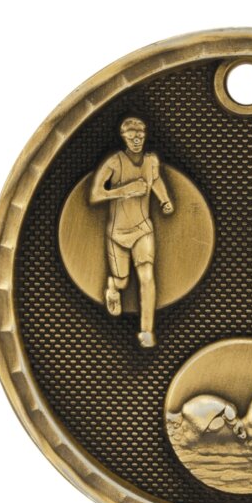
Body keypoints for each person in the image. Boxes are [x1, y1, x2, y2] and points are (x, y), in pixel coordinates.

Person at [90, 117, 174, 348]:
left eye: (140, 136)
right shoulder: (114, 162)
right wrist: (125, 190)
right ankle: (112, 287)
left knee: (147, 277)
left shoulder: (151, 161)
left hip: (143, 229)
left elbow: (155, 181)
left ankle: (146, 331)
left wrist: (165, 200)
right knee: (122, 280)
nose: (136, 140)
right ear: (124, 137)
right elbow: (95, 195)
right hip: (118, 233)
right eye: (131, 136)